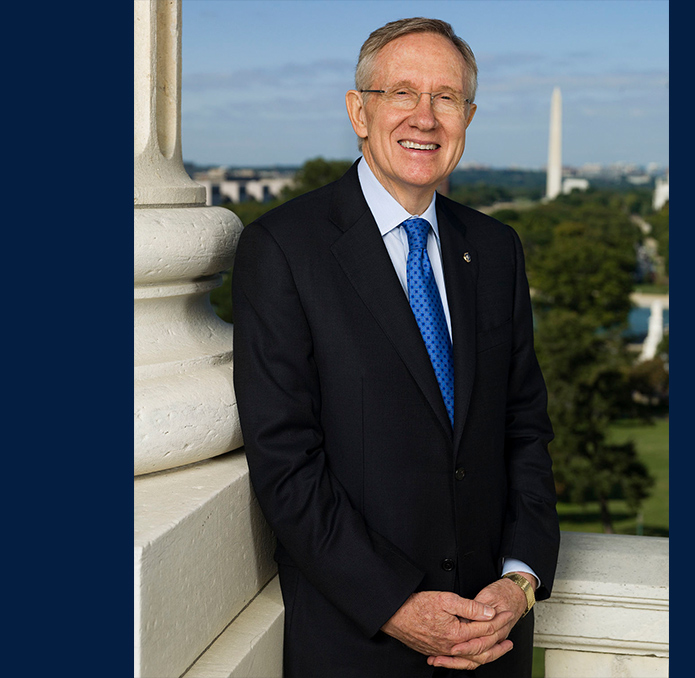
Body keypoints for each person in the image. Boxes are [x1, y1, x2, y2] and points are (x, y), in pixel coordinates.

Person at [232, 17, 560, 678]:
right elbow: (286, 462)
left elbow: (523, 429)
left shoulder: (496, 250)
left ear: (468, 117)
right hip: (360, 645)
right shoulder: (283, 250)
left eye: (446, 98)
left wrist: (521, 578)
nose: (426, 117)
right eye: (402, 93)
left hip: (491, 642)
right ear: (360, 111)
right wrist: (395, 605)